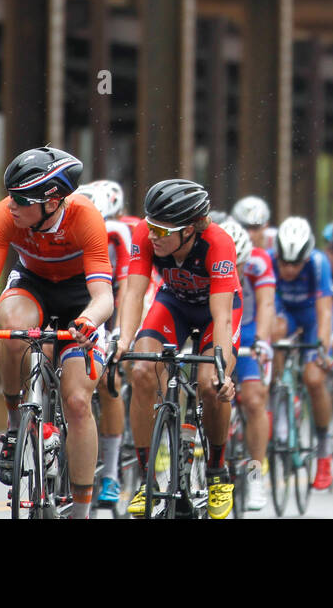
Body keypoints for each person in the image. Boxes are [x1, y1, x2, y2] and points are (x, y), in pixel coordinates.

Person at [0, 146, 113, 519]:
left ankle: (81, 510)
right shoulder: (5, 215)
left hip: (81, 299)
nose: (11, 205)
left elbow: (104, 296)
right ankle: (15, 426)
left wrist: (90, 321)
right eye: (10, 195)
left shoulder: (85, 218)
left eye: (22, 199)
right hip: (33, 286)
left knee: (77, 403)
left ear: (53, 201)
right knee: (13, 327)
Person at [115, 179, 239, 518]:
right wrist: (124, 341)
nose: (151, 234)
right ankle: (146, 479)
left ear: (190, 231)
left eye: (161, 230)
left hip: (216, 311)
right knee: (142, 371)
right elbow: (133, 293)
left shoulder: (218, 243)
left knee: (208, 384)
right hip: (174, 303)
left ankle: (216, 471)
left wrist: (221, 369)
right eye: (150, 225)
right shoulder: (146, 233)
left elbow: (223, 318)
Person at [73, 180, 134, 509]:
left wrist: (119, 334)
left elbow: (125, 288)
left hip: (108, 308)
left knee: (110, 380)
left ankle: (109, 472)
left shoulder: (119, 234)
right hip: (76, 305)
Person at [268, 216, 333, 490]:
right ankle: (276, 394)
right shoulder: (269, 260)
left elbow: (324, 311)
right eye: (284, 261)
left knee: (314, 378)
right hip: (284, 314)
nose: (288, 268)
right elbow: (266, 307)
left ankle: (323, 452)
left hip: (310, 318)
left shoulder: (319, 263)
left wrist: (322, 346)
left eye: (295, 263)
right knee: (275, 333)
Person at [220, 216, 275, 509]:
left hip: (249, 331)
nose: (235, 272)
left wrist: (263, 341)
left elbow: (266, 303)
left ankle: (255, 475)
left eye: (239, 264)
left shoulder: (259, 260)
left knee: (254, 401)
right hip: (216, 329)